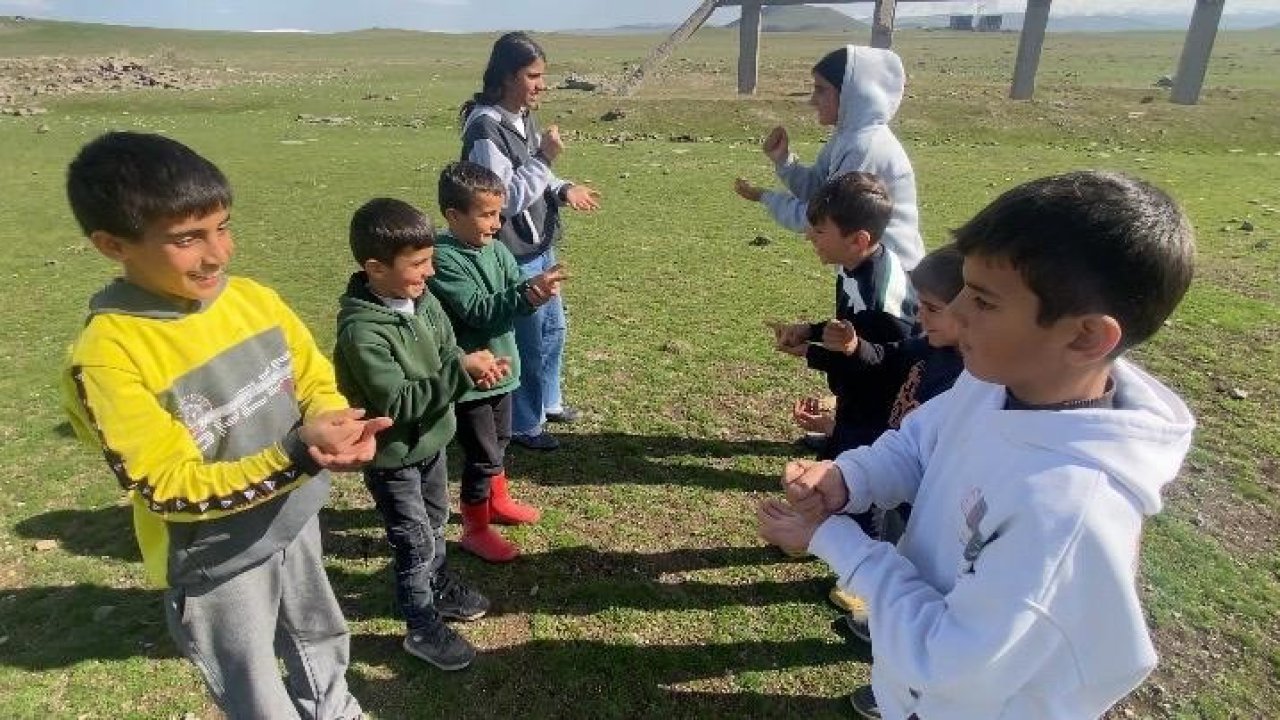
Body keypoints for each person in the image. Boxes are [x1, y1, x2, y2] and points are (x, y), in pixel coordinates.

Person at [758, 170, 1196, 719]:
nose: (956, 311)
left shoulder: (1067, 515)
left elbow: (945, 659)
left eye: (985, 302)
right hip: (915, 687)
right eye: (964, 288)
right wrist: (850, 478)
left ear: (1085, 337)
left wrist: (836, 540)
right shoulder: (992, 382)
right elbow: (920, 443)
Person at [60, 131, 391, 719]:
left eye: (222, 226)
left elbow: (312, 376)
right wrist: (297, 456)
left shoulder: (253, 300)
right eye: (187, 238)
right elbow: (167, 486)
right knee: (255, 687)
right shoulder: (108, 356)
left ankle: (338, 710)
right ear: (112, 244)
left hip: (294, 516)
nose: (219, 253)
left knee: (320, 636)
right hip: (217, 559)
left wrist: (328, 421)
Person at [333, 197, 508, 670]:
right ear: (375, 268)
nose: (430, 272)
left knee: (435, 524)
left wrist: (473, 370)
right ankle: (422, 628)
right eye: (419, 263)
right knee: (414, 542)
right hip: (395, 457)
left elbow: (449, 351)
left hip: (432, 443)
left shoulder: (421, 301)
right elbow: (398, 404)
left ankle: (439, 588)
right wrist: (460, 376)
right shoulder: (362, 333)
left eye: (430, 260)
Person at [792, 244, 966, 631]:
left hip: (927, 499)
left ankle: (882, 632)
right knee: (892, 545)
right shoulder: (930, 343)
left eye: (932, 308)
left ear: (973, 313)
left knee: (915, 571)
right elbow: (887, 356)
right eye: (919, 304)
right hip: (898, 482)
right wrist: (850, 348)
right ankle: (872, 618)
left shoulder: (968, 381)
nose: (919, 315)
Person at [459, 30, 601, 451]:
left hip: (539, 244)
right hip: (514, 251)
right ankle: (523, 423)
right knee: (527, 339)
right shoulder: (486, 130)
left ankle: (549, 403)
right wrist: (545, 158)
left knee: (554, 328)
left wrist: (562, 187)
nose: (542, 84)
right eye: (534, 75)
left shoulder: (521, 116)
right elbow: (504, 199)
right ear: (507, 76)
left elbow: (534, 180)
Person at [429, 161, 565, 562]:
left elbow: (511, 300)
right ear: (454, 216)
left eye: (497, 212)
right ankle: (475, 527)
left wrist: (533, 294)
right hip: (472, 379)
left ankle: (497, 501)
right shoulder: (445, 259)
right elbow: (477, 311)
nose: (496, 222)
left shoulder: (498, 249)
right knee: (481, 453)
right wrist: (524, 295)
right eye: (486, 214)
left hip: (505, 372)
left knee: (501, 442)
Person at [770, 171, 917, 462]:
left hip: (876, 416)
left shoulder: (881, 303)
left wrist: (810, 353)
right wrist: (809, 330)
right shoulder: (854, 262)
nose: (809, 235)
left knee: (839, 482)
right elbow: (851, 331)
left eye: (820, 230)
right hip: (857, 401)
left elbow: (881, 367)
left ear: (858, 240)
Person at [735, 44, 924, 270]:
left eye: (821, 90)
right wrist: (784, 161)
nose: (812, 100)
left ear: (851, 93)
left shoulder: (863, 147)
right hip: (867, 271)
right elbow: (819, 191)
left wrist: (766, 198)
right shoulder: (847, 136)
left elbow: (825, 218)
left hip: (889, 279)